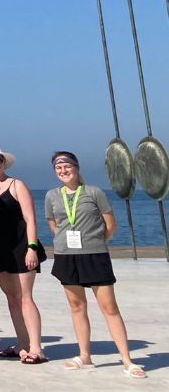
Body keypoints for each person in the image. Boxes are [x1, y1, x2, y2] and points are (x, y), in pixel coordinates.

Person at [45, 151, 145, 378]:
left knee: (109, 307)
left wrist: (95, 242)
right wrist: (64, 240)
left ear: (76, 167)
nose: (63, 170)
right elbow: (53, 223)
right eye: (58, 167)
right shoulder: (52, 195)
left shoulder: (94, 192)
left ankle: (127, 360)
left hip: (94, 255)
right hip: (66, 256)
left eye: (67, 166)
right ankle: (85, 356)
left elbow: (110, 225)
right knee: (76, 306)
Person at [0, 142, 44, 363]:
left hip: (21, 247)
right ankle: (22, 344)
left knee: (25, 297)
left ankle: (37, 348)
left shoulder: (17, 185)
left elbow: (30, 219)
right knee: (12, 298)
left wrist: (32, 248)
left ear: (4, 161)